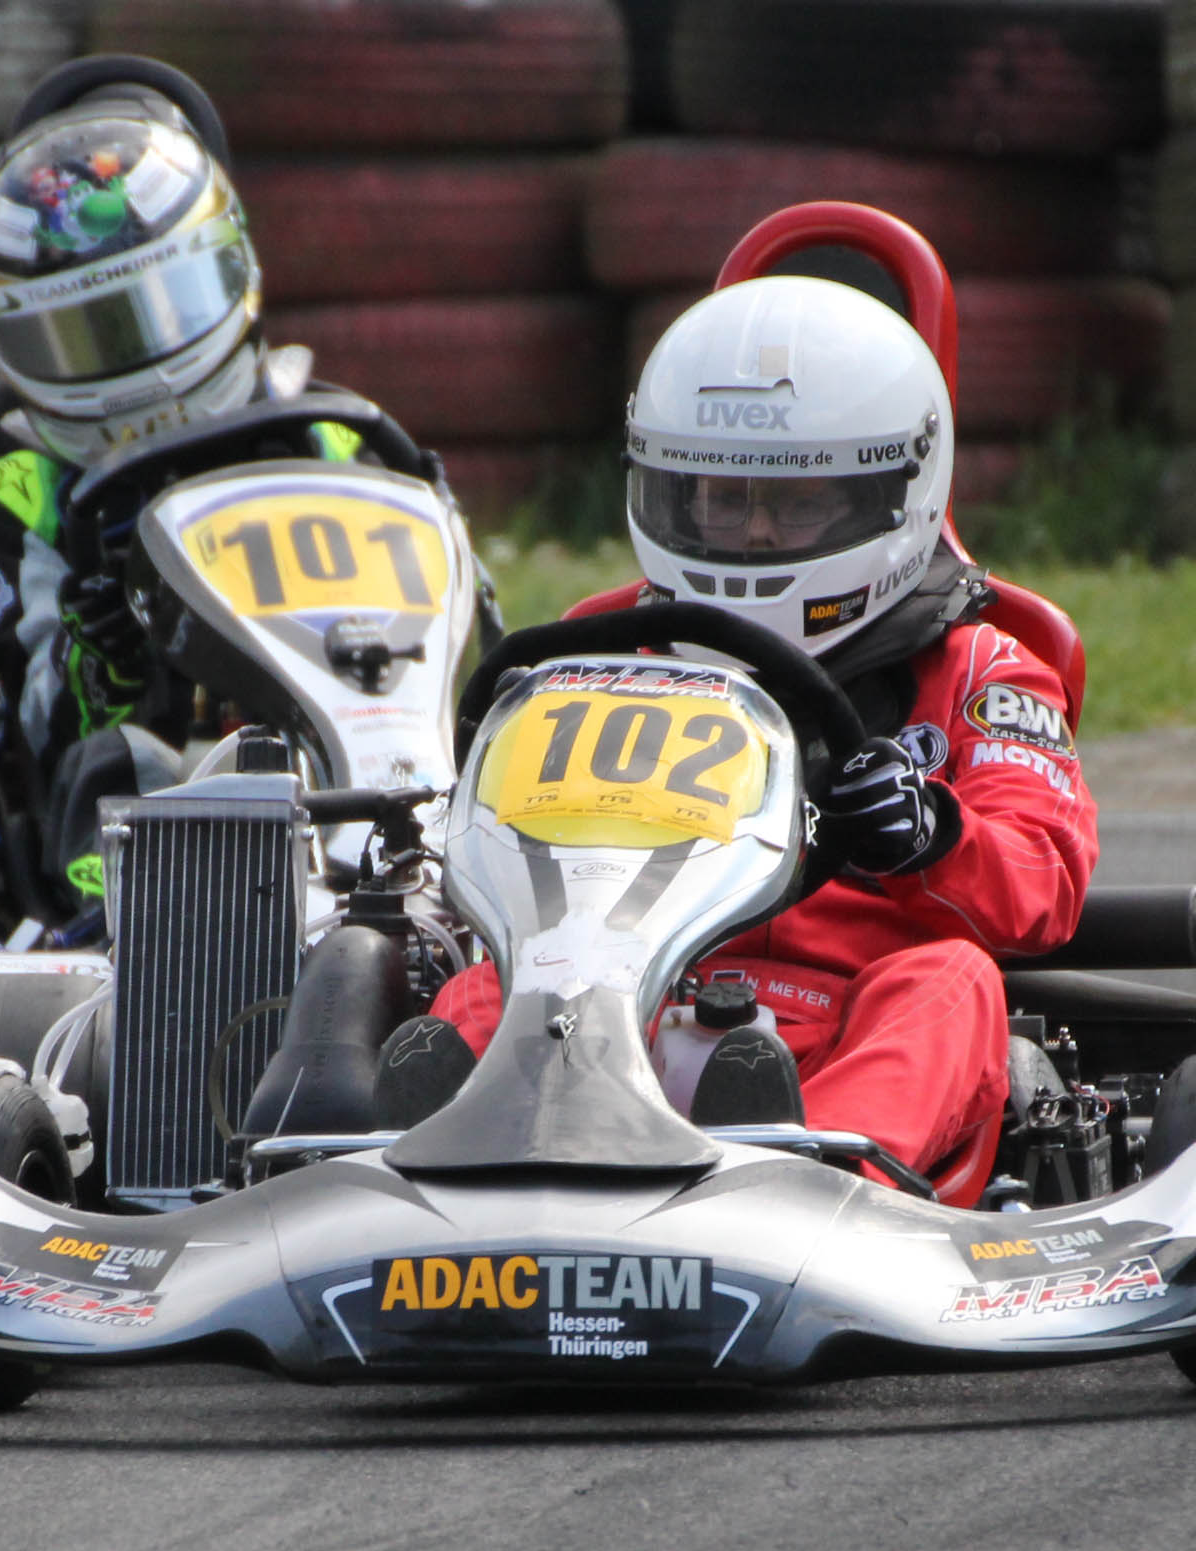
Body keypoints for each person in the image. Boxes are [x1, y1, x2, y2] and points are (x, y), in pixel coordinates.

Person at [410, 273, 1101, 1208]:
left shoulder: (980, 671)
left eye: (798, 503)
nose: (757, 530)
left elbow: (1043, 884)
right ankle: (417, 1163)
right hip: (619, 993)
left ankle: (809, 1180)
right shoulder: (600, 643)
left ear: (892, 492)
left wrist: (932, 838)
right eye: (722, 501)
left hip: (845, 1018)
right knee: (492, 983)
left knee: (952, 981)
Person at [0, 55, 365, 905]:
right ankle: (146, 934)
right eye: (87, 337)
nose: (134, 371)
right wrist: (106, 663)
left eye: (158, 311)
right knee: (128, 764)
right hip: (128, 824)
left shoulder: (335, 441)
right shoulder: (11, 489)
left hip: (353, 777)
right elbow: (49, 735)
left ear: (226, 272)